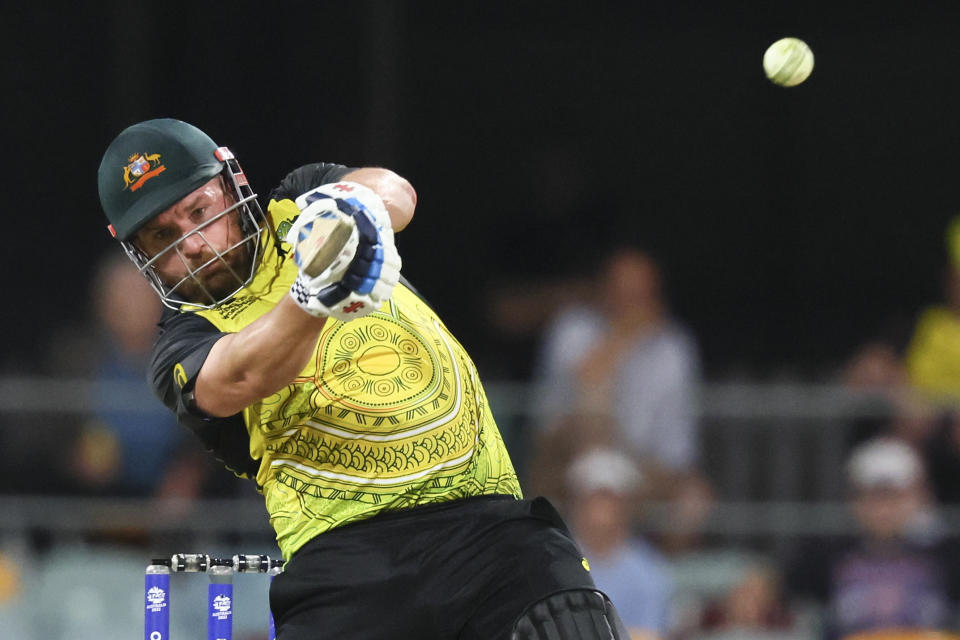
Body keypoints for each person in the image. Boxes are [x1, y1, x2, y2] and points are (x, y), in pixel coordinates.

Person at [96, 118, 630, 640]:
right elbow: (244, 372)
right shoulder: (180, 345)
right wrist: (315, 292)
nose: (191, 242)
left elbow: (396, 193)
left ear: (230, 184)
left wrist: (348, 213)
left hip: (486, 526)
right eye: (163, 235)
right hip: (347, 563)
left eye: (199, 211)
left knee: (570, 621)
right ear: (141, 254)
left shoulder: (298, 201)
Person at [784, 436, 960, 639]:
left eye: (894, 497)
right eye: (873, 497)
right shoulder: (821, 556)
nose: (883, 509)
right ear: (853, 499)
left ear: (920, 496)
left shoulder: (949, 556)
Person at [565, 448, 673, 640]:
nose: (601, 510)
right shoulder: (553, 562)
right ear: (577, 504)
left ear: (627, 506)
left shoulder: (650, 572)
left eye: (610, 499)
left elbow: (649, 634)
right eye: (594, 498)